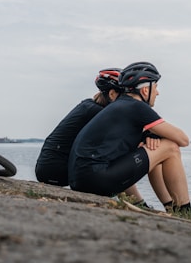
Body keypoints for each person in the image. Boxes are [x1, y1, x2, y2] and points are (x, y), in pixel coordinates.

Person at [68, 62, 191, 219]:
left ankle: (170, 207)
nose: (158, 93)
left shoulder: (119, 106)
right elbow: (183, 139)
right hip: (96, 180)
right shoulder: (136, 107)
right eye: (155, 87)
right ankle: (185, 213)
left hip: (81, 180)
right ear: (145, 89)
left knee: (155, 148)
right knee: (170, 147)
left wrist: (150, 138)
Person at [35, 68, 152, 207]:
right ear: (112, 94)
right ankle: (138, 202)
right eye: (124, 97)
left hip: (47, 168)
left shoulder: (89, 107)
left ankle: (137, 202)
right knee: (116, 156)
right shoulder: (97, 113)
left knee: (112, 153)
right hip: (56, 171)